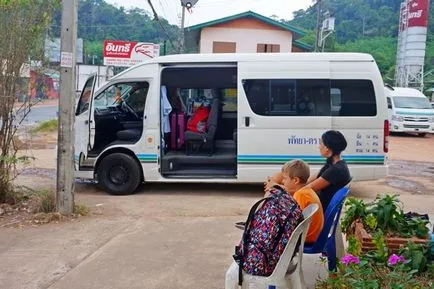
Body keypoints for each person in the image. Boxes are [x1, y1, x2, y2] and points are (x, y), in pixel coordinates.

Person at [235, 185, 303, 277]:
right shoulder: (287, 202)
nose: (283, 182)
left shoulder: (275, 206)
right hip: (285, 256)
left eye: (285, 179)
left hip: (264, 265)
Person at [278, 160, 324, 243]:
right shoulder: (307, 191)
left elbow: (294, 221)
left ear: (295, 180)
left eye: (285, 179)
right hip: (313, 235)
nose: (282, 182)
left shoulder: (300, 195)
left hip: (306, 238)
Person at [306, 130, 351, 210]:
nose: (319, 147)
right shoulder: (334, 164)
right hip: (317, 205)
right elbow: (308, 181)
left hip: (319, 210)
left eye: (321, 143)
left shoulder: (336, 170)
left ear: (327, 148)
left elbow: (307, 189)